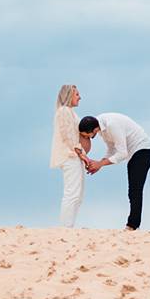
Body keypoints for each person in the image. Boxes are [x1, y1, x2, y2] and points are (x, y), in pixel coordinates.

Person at [80, 113, 150, 230]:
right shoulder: (100, 127)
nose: (88, 138)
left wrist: (100, 164)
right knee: (133, 190)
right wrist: (99, 164)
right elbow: (111, 149)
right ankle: (133, 225)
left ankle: (132, 225)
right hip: (134, 154)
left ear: (94, 130)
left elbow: (122, 153)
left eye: (88, 136)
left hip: (143, 151)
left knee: (135, 190)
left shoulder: (112, 125)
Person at [50, 84, 92, 226]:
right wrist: (81, 153)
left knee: (78, 195)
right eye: (76, 94)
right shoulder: (64, 111)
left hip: (75, 156)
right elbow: (68, 136)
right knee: (72, 193)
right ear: (68, 95)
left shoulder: (70, 112)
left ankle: (69, 225)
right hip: (70, 156)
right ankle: (65, 227)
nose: (80, 97)